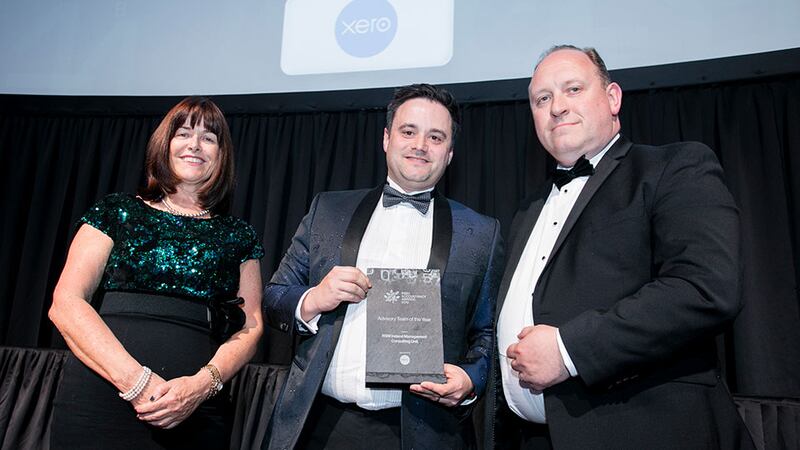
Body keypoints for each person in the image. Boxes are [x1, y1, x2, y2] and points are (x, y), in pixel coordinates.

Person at [487, 45, 756, 449]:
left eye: (573, 89)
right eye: (542, 99)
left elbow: (705, 288)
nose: (557, 107)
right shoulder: (528, 209)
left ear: (613, 98)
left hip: (649, 432)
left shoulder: (674, 168)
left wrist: (567, 350)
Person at [262, 84, 504, 450]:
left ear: (450, 153)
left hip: (422, 433)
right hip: (319, 425)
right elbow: (273, 297)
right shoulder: (328, 211)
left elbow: (488, 334)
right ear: (387, 139)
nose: (420, 145)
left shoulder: (481, 234)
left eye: (435, 137)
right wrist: (313, 299)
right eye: (409, 131)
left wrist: (471, 379)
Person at [48, 97, 264, 449]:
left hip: (195, 412)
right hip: (100, 401)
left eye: (209, 138)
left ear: (222, 155)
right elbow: (66, 303)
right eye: (184, 133)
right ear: (164, 144)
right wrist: (138, 383)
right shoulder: (116, 211)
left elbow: (252, 326)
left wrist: (199, 387)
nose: (195, 145)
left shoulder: (239, 235)